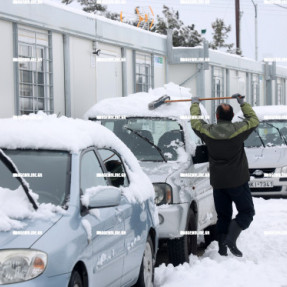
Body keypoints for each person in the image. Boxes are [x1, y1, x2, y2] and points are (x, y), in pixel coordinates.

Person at [190, 94, 259, 257]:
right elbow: (254, 120)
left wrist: (195, 105)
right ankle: (231, 239)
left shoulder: (208, 131)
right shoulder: (239, 129)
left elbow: (195, 122)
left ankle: (222, 250)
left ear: (217, 116)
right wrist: (242, 102)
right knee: (247, 212)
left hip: (218, 183)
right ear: (233, 116)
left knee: (223, 215)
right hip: (238, 181)